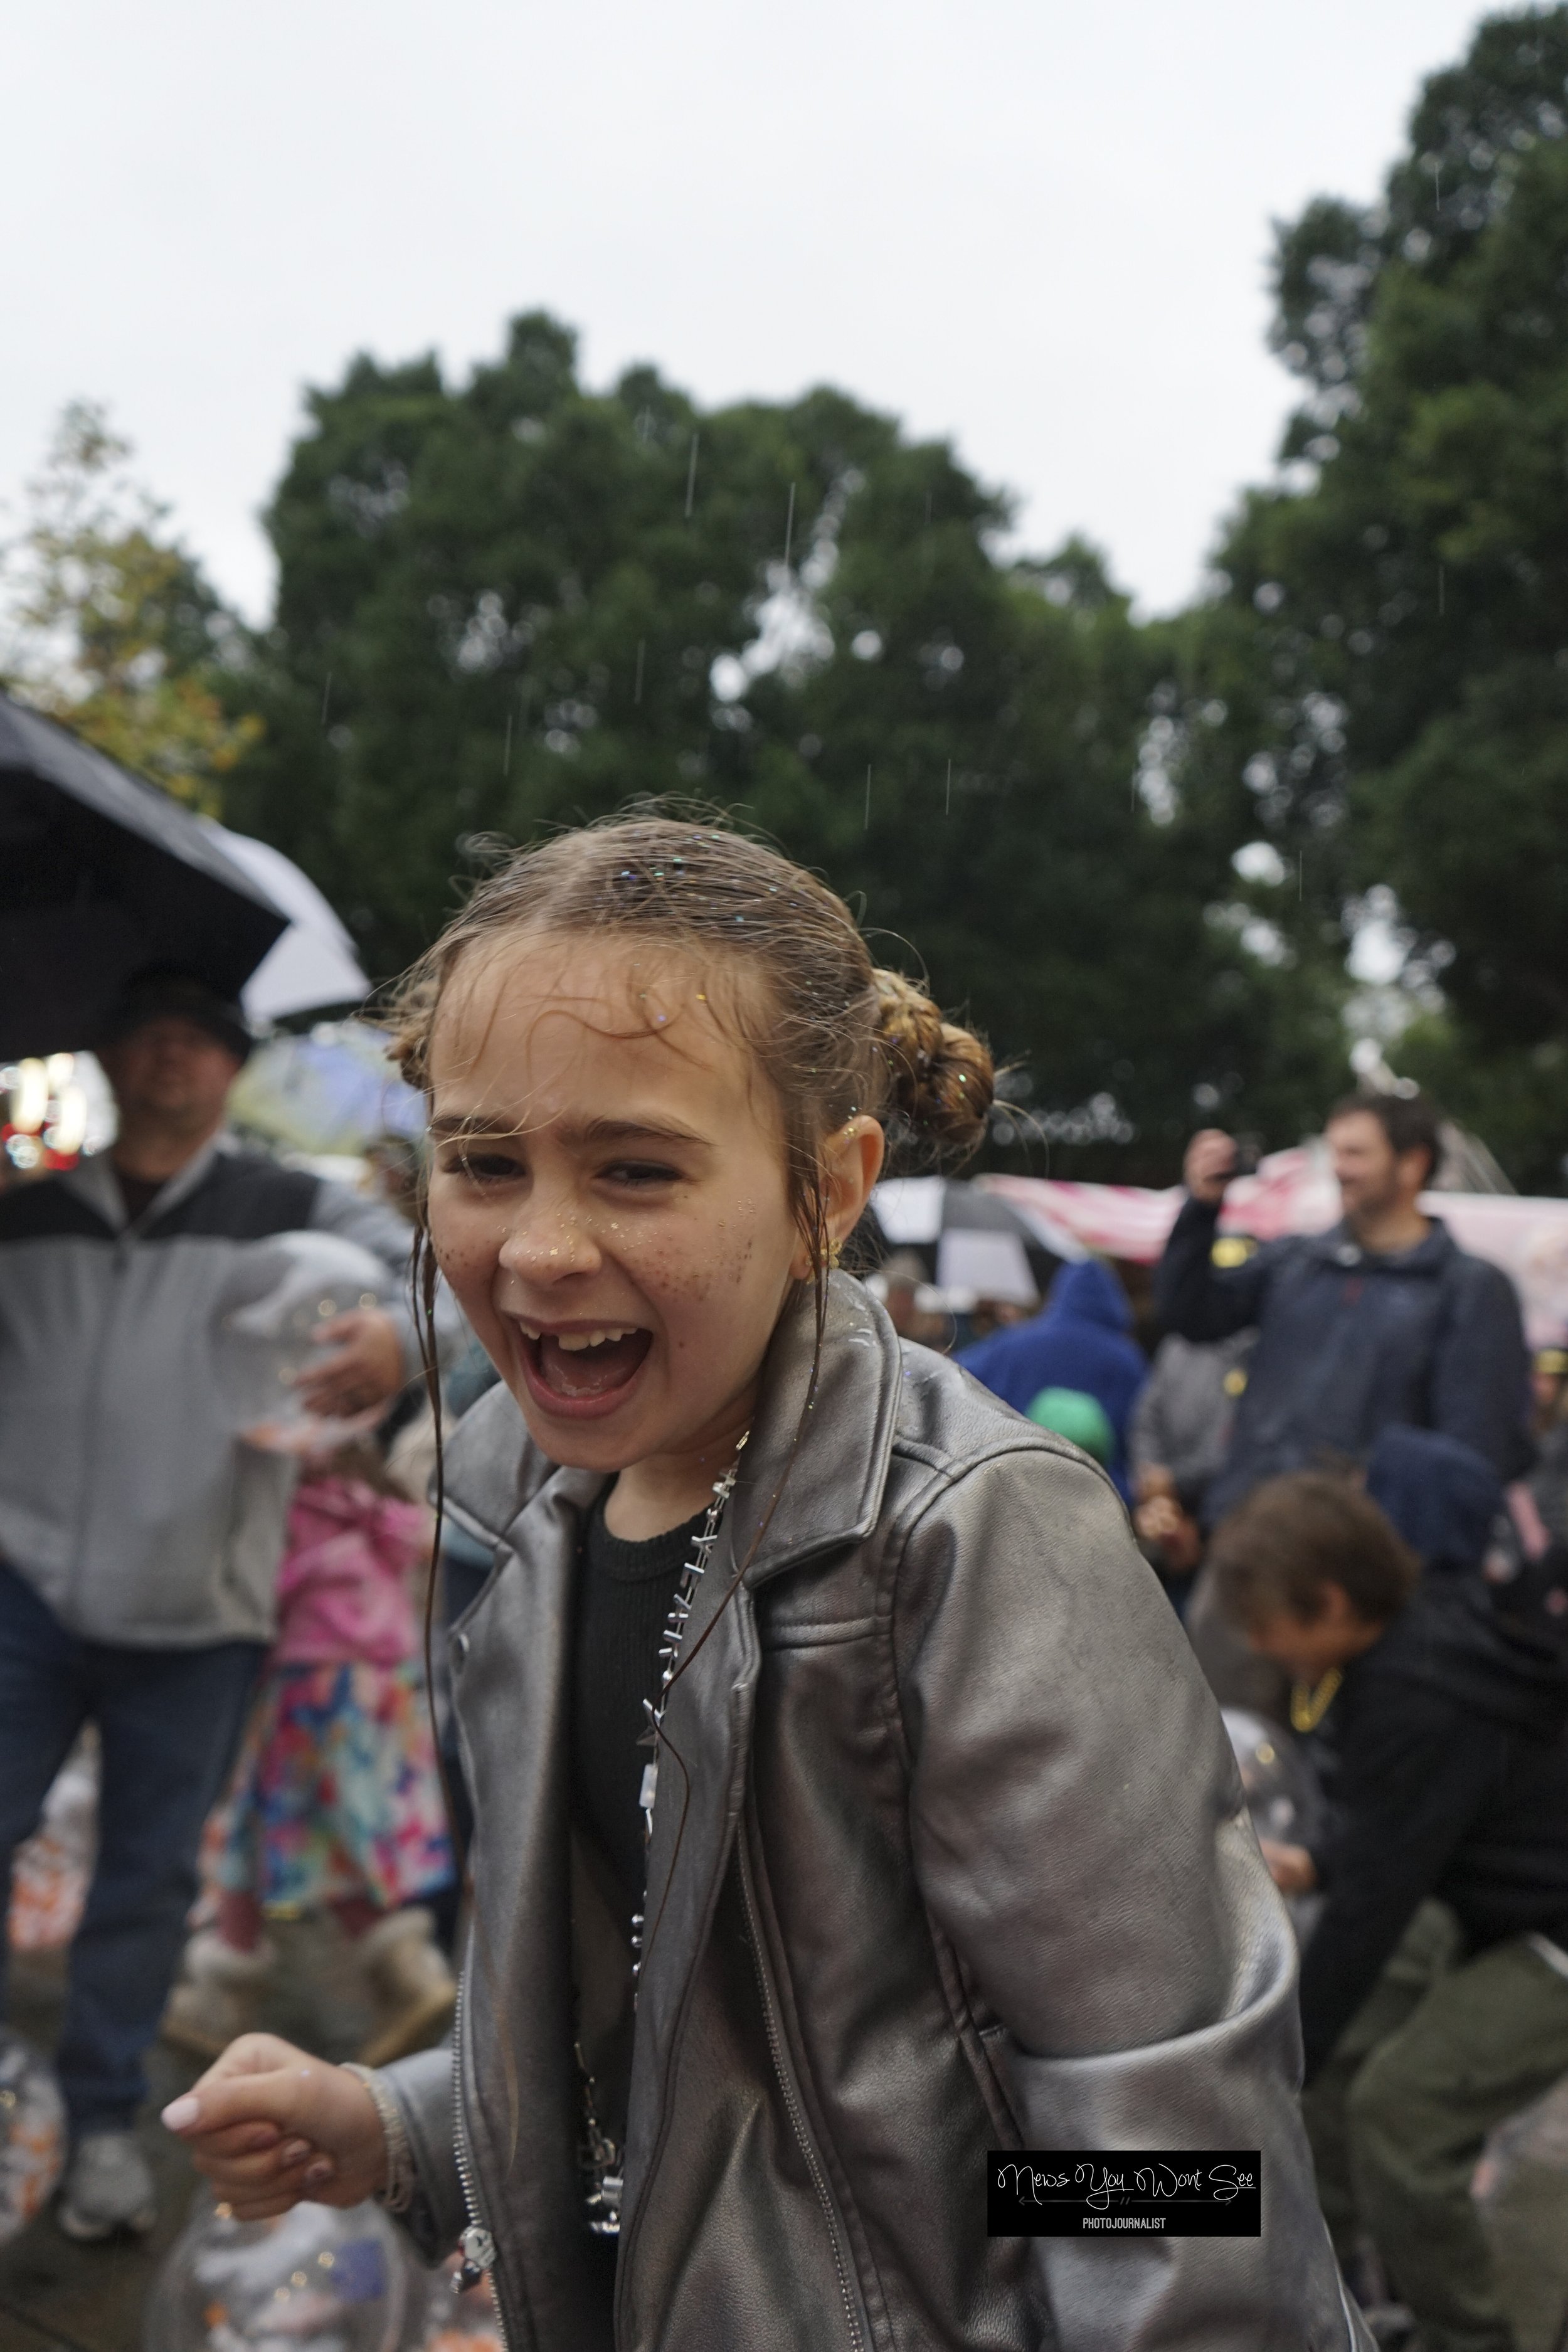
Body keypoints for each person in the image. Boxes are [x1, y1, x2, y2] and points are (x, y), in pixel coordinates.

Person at [164, 815, 1364, 2350]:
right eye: (481, 1160)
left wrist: (960, 2250)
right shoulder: (530, 1509)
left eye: (637, 1167)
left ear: (829, 1190)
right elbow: (678, 2038)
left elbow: (1179, 2163)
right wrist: (399, 2122)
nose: (537, 1245)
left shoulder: (976, 1538)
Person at [0, 970, 418, 2240]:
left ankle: (106, 2124)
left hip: (201, 1610)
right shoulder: (22, 1219)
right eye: (147, 1034)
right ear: (110, 1055)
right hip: (19, 1593)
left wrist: (398, 1346)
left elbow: (439, 1279)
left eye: (197, 1040)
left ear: (230, 1066)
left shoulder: (292, 1202)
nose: (171, 1058)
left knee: (144, 1881)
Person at [1209, 1471, 1568, 2352]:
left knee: (1397, 2112)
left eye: (1265, 1622)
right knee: (1336, 2083)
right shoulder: (1422, 1633)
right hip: (1495, 1893)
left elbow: (1371, 1914)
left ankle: (1470, 2335)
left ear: (1330, 1602)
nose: (1256, 1641)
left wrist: (1282, 2059)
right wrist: (1327, 1860)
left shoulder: (1414, 1697)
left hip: (1551, 1933)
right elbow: (1431, 1819)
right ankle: (1316, 2287)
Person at [163, 1443, 455, 2067]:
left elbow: (259, 1586)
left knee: (265, 1827)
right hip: (380, 1689)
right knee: (310, 1837)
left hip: (308, 1689)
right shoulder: (368, 1502)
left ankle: (234, 1990)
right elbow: (415, 1546)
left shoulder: (290, 1504)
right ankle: (402, 1970)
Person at [1155, 1090, 1532, 1528]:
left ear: (1412, 1164)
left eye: (1356, 1153)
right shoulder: (1295, 1262)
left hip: (1359, 1565)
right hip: (1249, 1539)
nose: (1339, 1168)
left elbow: (1472, 1460)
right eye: (1335, 1152)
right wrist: (1201, 1210)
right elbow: (1191, 1315)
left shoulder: (1469, 1290)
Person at [958, 1256, 1147, 1497]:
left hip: (1015, 1487)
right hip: (1102, 1495)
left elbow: (957, 1376)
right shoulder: (1127, 1359)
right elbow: (1143, 1432)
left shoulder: (1014, 1343)